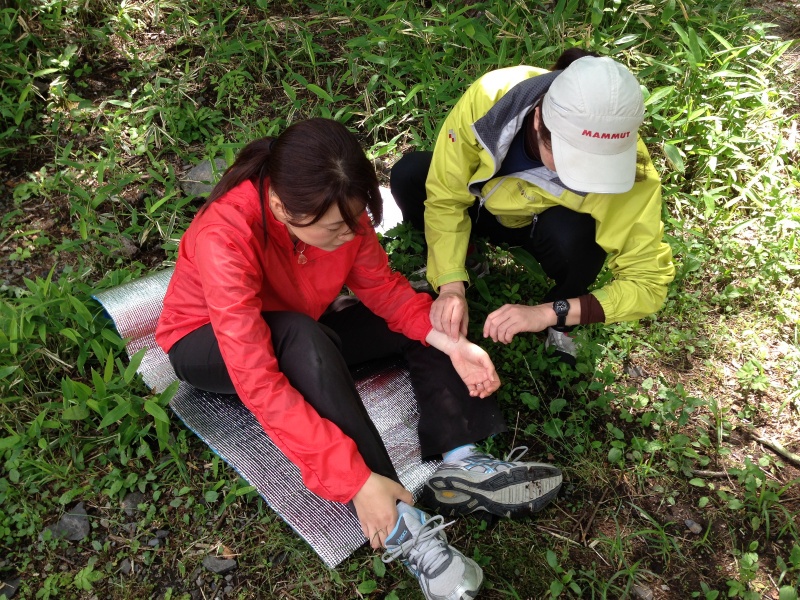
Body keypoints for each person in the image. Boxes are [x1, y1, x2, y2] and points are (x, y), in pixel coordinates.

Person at [155, 118, 562, 599]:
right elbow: (258, 380)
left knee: (425, 317)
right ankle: (399, 521)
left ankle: (462, 460)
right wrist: (354, 480)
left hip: (304, 323)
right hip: (207, 343)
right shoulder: (224, 235)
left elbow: (384, 291)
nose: (349, 236)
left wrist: (454, 345)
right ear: (282, 209)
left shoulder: (339, 208)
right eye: (334, 229)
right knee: (300, 337)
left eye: (357, 221)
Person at [390, 50, 676, 365]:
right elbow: (446, 196)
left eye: (598, 167)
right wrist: (450, 287)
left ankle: (561, 319)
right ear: (538, 119)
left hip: (538, 226)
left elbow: (648, 282)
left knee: (581, 239)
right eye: (570, 160)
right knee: (411, 174)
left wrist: (547, 313)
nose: (582, 177)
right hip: (481, 206)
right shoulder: (493, 95)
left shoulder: (631, 168)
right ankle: (466, 260)